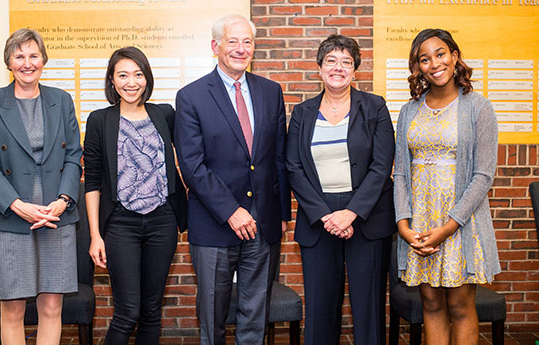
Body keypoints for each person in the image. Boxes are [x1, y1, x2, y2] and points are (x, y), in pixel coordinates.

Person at [174, 14, 291, 345]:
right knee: (213, 317)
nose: (241, 49)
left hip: (263, 223)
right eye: (233, 41)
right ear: (216, 46)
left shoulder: (271, 92)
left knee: (255, 314)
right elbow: (192, 166)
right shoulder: (191, 96)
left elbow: (278, 158)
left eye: (248, 42)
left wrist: (281, 214)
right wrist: (231, 211)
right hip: (215, 224)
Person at [0, 28, 82, 345]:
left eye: (33, 55)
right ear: (9, 61)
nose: (27, 63)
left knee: (51, 305)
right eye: (19, 56)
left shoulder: (61, 101)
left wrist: (63, 200)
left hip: (55, 215)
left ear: (44, 60)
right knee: (13, 307)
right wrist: (17, 205)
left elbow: (74, 154)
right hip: (9, 216)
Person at [286, 34, 396, 345]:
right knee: (320, 309)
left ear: (355, 70)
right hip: (319, 219)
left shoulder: (375, 107)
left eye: (346, 62)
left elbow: (381, 166)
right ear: (319, 68)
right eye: (331, 61)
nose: (338, 67)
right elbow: (293, 168)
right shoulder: (303, 113)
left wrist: (351, 213)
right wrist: (326, 216)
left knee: (369, 309)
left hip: (367, 216)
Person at [394, 29, 501, 345]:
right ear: (418, 67)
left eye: (440, 54)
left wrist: (448, 226)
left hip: (459, 225)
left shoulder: (478, 107)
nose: (434, 63)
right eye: (424, 59)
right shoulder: (409, 111)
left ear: (455, 56)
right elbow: (401, 173)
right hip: (421, 227)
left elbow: (483, 176)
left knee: (460, 305)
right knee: (431, 303)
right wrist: (404, 225)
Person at [83, 46, 187, 345]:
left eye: (138, 74)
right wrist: (95, 235)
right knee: (128, 312)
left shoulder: (164, 114)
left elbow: (191, 155)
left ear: (147, 78)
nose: (132, 82)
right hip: (120, 225)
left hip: (162, 222)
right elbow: (92, 181)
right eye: (123, 75)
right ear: (112, 81)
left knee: (152, 311)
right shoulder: (100, 120)